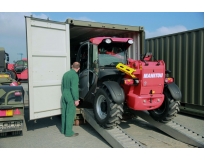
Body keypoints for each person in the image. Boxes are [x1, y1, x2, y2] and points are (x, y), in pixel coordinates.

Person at [61, 62, 80, 137]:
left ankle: (63, 130)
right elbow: (74, 88)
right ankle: (68, 132)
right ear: (78, 68)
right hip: (70, 96)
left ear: (72, 66)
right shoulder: (74, 75)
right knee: (70, 114)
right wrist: (76, 99)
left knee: (64, 113)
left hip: (64, 94)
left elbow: (62, 86)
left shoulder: (65, 74)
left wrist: (64, 94)